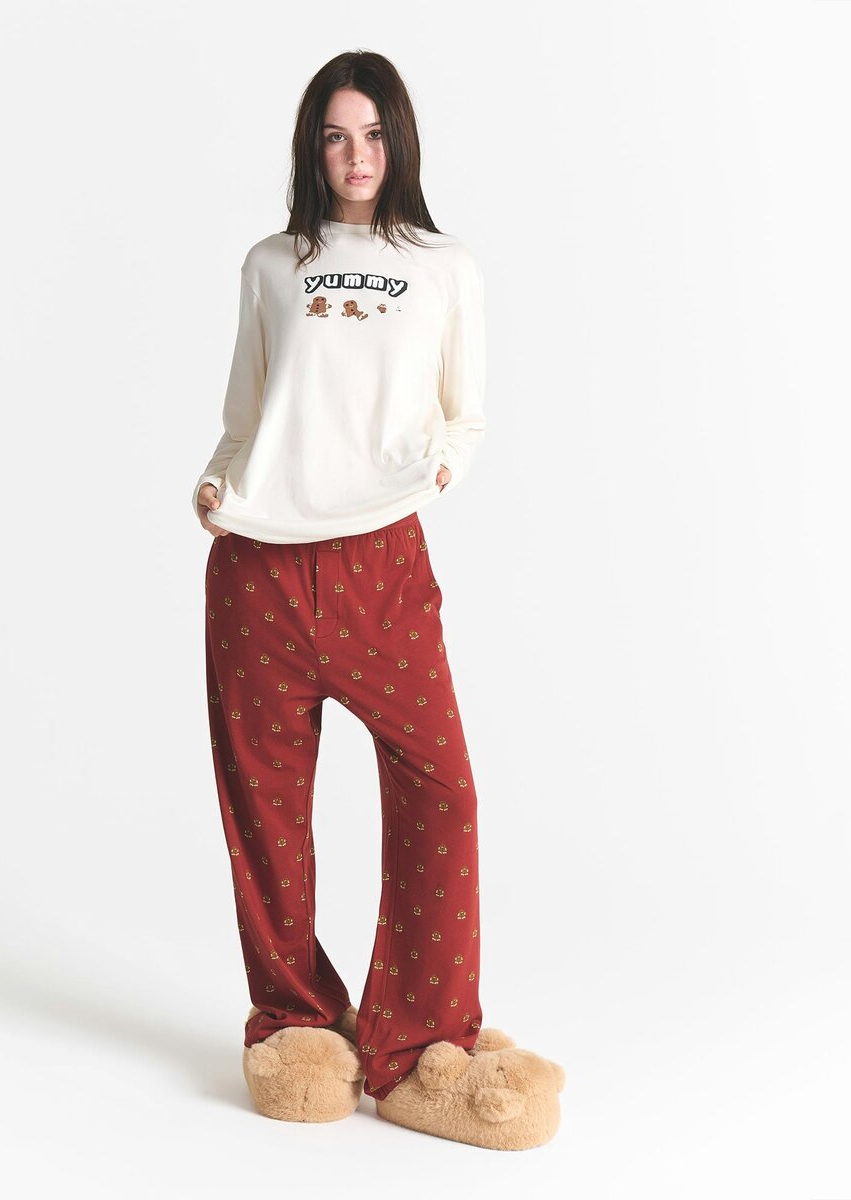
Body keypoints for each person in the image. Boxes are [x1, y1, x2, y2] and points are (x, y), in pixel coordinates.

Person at [194, 50, 565, 1150]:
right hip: (260, 567)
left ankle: (421, 1040)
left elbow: (466, 413)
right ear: (314, 150)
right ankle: (295, 1019)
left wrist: (441, 465)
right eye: (334, 136)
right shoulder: (273, 263)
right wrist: (216, 480)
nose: (355, 156)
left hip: (380, 565)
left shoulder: (444, 267)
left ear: (398, 141)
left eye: (371, 134)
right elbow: (246, 411)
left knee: (442, 791)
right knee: (266, 808)